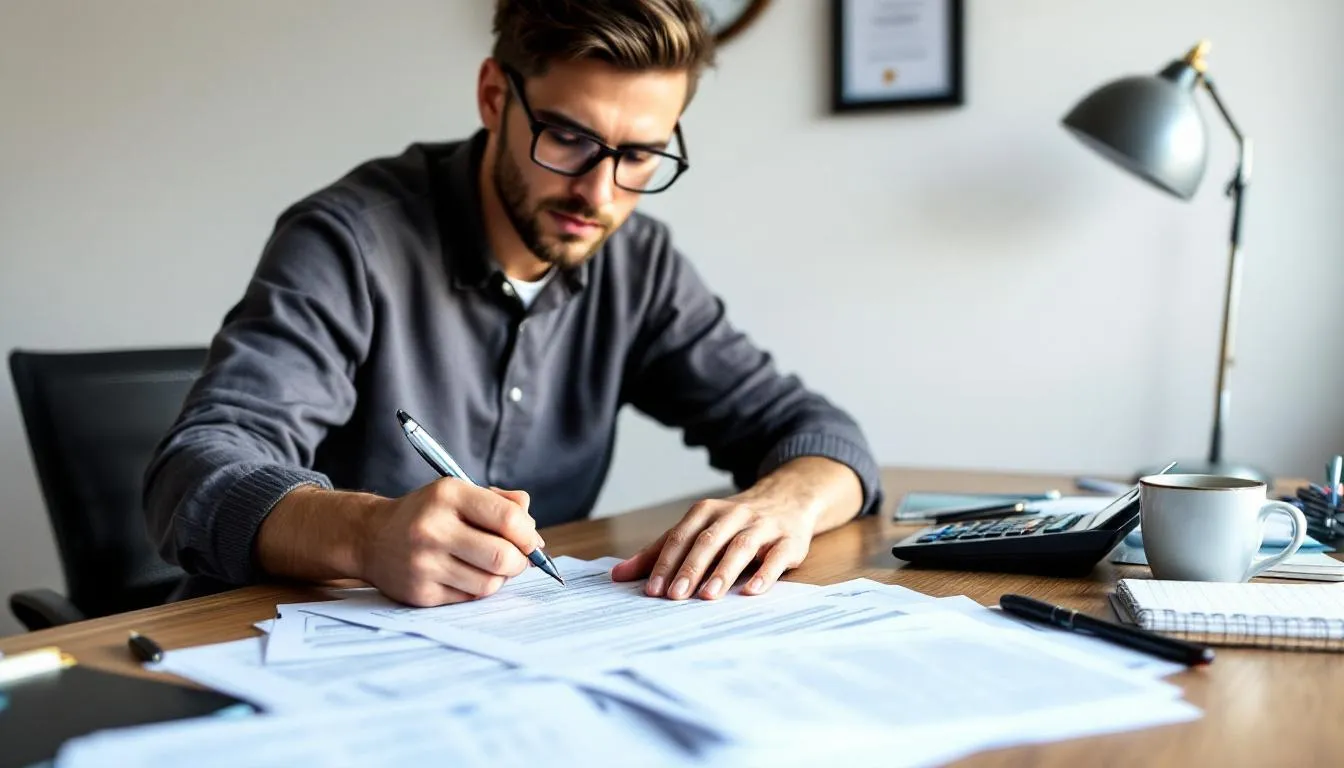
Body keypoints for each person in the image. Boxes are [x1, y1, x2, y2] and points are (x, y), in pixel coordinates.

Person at [144, 0, 881, 608]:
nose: (599, 193)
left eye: (639, 156)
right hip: (271, 656)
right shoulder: (351, 240)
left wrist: (787, 504)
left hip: (499, 655)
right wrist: (367, 535)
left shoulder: (638, 262)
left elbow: (816, 432)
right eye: (569, 138)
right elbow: (197, 468)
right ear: (495, 96)